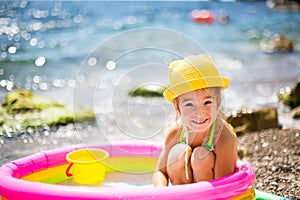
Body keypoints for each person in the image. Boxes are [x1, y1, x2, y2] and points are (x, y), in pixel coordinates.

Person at [153, 54, 237, 186]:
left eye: (207, 102)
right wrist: (161, 193)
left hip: (212, 192)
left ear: (218, 102)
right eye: (189, 104)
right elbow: (160, 172)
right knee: (177, 153)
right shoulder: (176, 131)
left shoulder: (224, 137)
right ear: (177, 107)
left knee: (200, 156)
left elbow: (224, 185)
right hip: (185, 190)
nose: (200, 113)